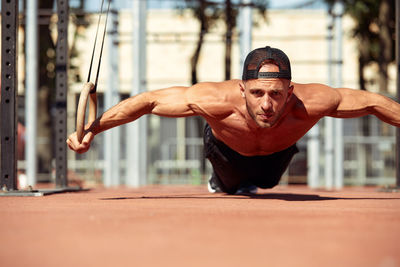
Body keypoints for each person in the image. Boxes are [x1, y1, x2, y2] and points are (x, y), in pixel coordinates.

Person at [67, 46, 400, 194]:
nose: (267, 104)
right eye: (256, 93)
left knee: (268, 184)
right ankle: (220, 181)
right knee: (230, 186)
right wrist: (92, 131)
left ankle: (253, 180)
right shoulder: (214, 99)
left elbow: (372, 103)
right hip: (227, 149)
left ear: (290, 90)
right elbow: (148, 101)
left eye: (276, 94)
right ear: (242, 88)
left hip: (277, 152)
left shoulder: (313, 102)